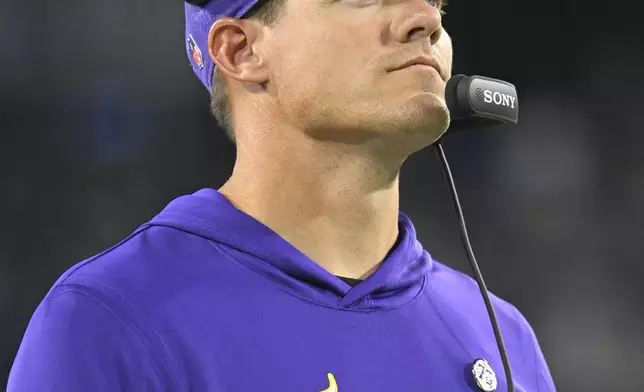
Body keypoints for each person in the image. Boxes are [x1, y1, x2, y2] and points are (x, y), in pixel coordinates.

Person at [8, 0, 557, 390]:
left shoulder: (502, 335)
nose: (426, 20)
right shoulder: (110, 321)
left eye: (436, 1)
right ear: (240, 50)